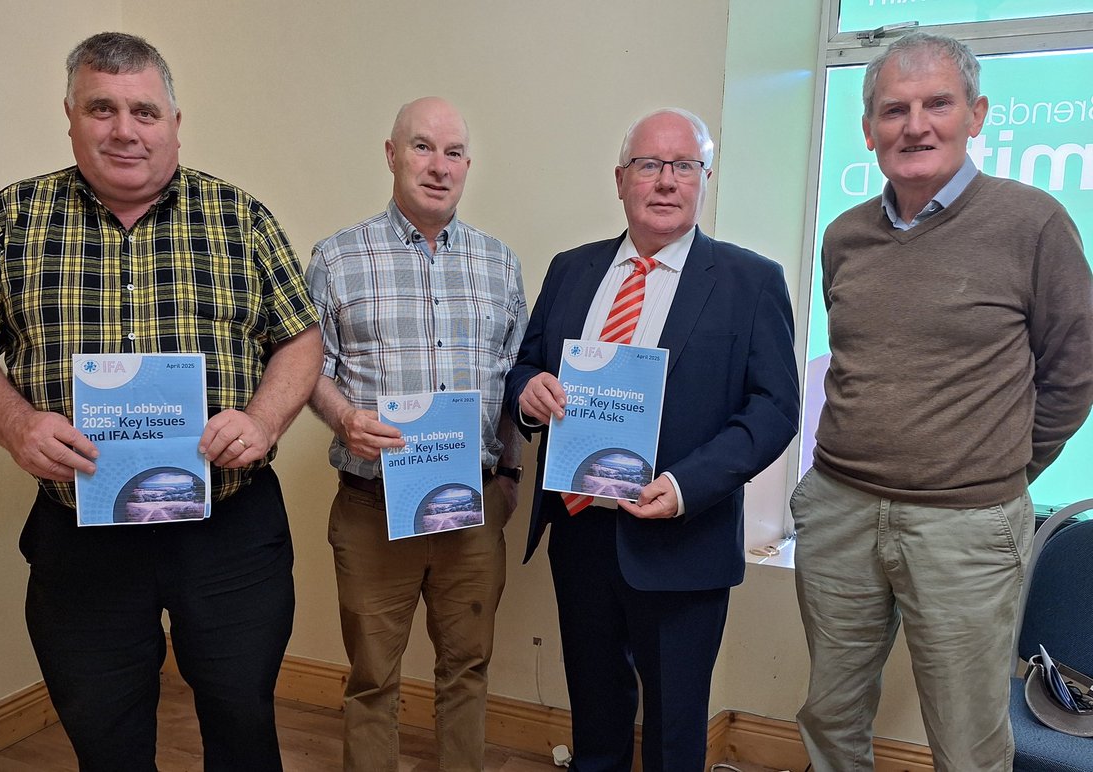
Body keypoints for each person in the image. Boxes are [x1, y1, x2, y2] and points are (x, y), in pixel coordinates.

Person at [0, 32, 322, 772]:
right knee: (103, 729)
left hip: (228, 530)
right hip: (82, 536)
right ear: (70, 117)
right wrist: (15, 423)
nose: (124, 129)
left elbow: (299, 338)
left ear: (175, 122)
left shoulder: (240, 217)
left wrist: (261, 420)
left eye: (144, 111)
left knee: (242, 714)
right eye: (102, 108)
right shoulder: (14, 217)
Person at [793, 32, 1093, 772]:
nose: (914, 125)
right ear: (867, 130)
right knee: (829, 719)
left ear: (976, 114)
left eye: (937, 104)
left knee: (967, 739)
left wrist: (1005, 469)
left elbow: (1075, 368)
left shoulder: (1033, 224)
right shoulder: (845, 236)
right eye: (894, 110)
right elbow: (866, 364)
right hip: (840, 512)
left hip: (966, 526)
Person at [505, 108, 800, 771]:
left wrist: (684, 486)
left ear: (704, 179)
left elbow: (775, 409)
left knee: (673, 733)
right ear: (621, 180)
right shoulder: (571, 270)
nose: (666, 181)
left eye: (684, 165)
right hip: (580, 532)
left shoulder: (751, 282)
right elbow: (524, 369)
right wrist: (527, 393)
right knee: (596, 718)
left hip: (681, 538)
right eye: (649, 165)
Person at [306, 96, 527, 772]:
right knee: (373, 676)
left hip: (472, 509)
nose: (439, 166)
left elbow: (515, 379)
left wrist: (511, 474)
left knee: (467, 670)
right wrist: (344, 417)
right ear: (391, 154)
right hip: (375, 507)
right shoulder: (337, 258)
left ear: (468, 165)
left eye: (453, 152)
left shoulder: (500, 265)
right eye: (423, 147)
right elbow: (306, 371)